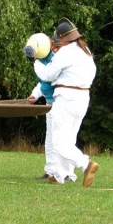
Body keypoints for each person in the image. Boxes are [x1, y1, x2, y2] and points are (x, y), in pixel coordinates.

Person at [33, 18, 99, 187]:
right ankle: (60, 176)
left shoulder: (65, 52)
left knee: (58, 142)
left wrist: (37, 62)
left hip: (66, 98)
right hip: (83, 98)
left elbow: (47, 75)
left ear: (63, 38)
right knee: (68, 140)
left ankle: (86, 164)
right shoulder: (85, 51)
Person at [23, 32, 76, 182]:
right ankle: (51, 171)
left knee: (64, 140)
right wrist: (35, 94)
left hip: (61, 103)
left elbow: (48, 77)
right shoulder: (44, 61)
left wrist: (38, 64)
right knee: (51, 140)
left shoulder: (57, 60)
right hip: (50, 104)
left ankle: (68, 174)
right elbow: (43, 83)